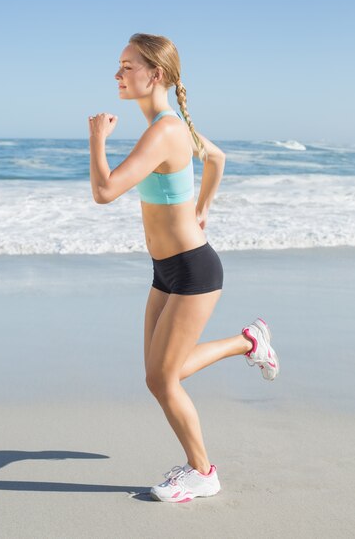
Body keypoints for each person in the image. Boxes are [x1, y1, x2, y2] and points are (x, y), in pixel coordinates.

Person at [88, 32, 280, 503]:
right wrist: (204, 205)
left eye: (127, 66)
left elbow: (105, 190)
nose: (117, 74)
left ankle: (203, 471)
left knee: (162, 379)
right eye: (118, 65)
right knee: (158, 376)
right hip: (167, 271)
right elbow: (215, 157)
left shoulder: (165, 131)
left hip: (194, 272)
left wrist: (96, 139)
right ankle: (247, 341)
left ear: (156, 74)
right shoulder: (167, 127)